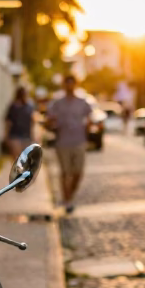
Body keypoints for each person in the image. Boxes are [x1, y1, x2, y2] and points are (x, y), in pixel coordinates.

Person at [46, 75, 93, 213]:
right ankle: (67, 201)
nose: (70, 86)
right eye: (67, 83)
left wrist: (88, 129)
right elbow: (49, 120)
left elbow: (90, 117)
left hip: (79, 141)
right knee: (65, 173)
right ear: (64, 85)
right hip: (63, 142)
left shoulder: (82, 102)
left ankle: (70, 196)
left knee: (78, 172)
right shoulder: (57, 103)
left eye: (72, 83)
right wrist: (52, 123)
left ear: (76, 85)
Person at [4, 85, 35, 161]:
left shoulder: (30, 106)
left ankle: (23, 173)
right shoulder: (13, 107)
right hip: (15, 136)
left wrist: (34, 136)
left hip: (26, 136)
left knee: (25, 161)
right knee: (17, 160)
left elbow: (32, 122)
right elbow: (8, 122)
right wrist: (6, 136)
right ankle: (18, 173)